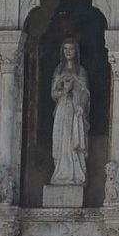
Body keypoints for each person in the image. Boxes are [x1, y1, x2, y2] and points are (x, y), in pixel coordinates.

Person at [49, 36, 91, 186]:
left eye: (71, 48)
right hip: (62, 109)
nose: (68, 51)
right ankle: (60, 172)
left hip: (75, 110)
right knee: (61, 139)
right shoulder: (58, 71)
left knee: (73, 139)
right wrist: (64, 91)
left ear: (76, 51)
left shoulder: (81, 72)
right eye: (65, 48)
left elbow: (85, 92)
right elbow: (53, 94)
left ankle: (76, 174)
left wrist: (81, 106)